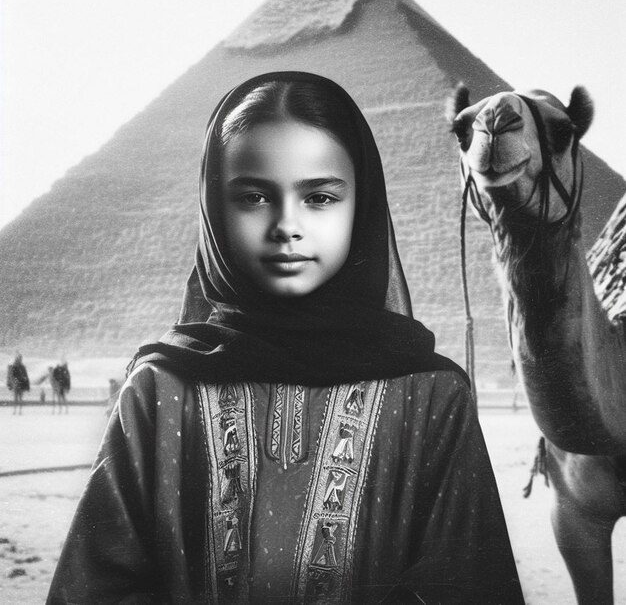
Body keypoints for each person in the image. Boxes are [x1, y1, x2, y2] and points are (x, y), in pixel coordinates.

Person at [47, 72, 524, 604]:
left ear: (361, 206)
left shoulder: (432, 398)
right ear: (213, 211)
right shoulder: (159, 390)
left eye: (320, 197)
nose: (286, 225)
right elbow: (95, 588)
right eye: (253, 197)